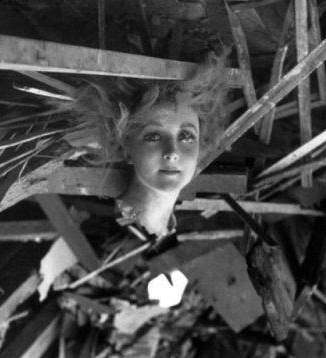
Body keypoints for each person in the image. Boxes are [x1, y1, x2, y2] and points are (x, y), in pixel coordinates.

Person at [71, 53, 233, 238]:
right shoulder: (113, 227)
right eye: (154, 137)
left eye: (187, 136)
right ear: (127, 149)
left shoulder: (171, 225)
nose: (172, 153)